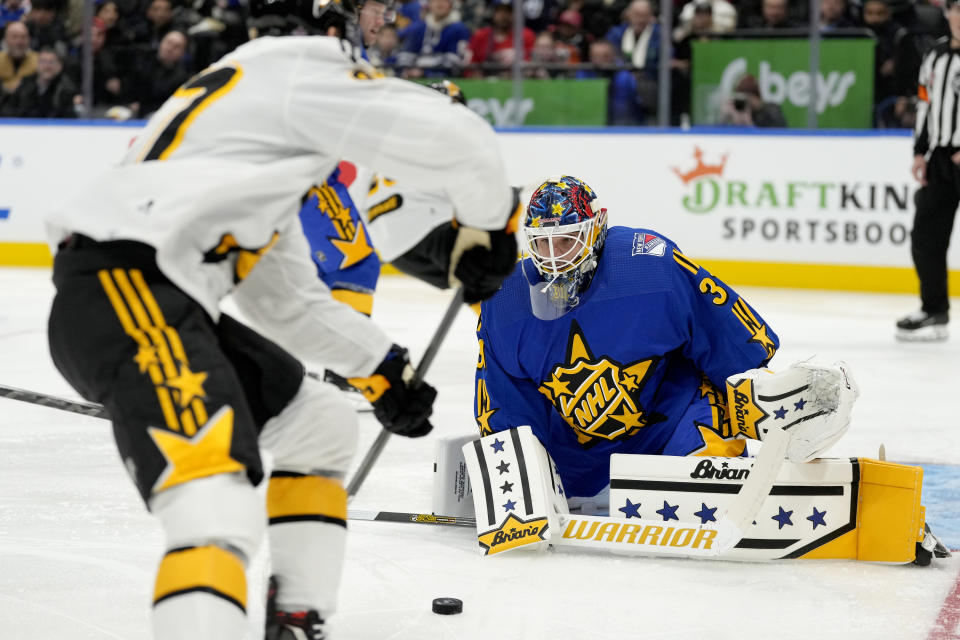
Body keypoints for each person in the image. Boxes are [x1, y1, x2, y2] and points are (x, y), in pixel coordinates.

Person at [44, 2, 519, 640]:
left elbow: (284, 297)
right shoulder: (300, 65)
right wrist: (488, 228)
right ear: (332, 16)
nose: (378, 26)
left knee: (319, 425)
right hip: (126, 291)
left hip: (147, 294)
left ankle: (296, 623)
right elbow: (458, 139)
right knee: (215, 503)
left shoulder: (258, 126)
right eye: (371, 12)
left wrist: (380, 369)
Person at [474, 176, 780, 502]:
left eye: (566, 240)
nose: (553, 258)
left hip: (671, 422)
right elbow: (506, 405)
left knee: (706, 497)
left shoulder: (649, 265)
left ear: (597, 228)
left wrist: (770, 406)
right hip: (580, 456)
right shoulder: (505, 300)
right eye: (542, 243)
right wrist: (518, 482)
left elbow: (730, 345)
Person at [897, 0, 960, 341]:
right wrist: (920, 151)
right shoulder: (934, 56)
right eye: (957, 10)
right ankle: (934, 310)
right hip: (939, 159)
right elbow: (925, 103)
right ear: (947, 14)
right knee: (926, 237)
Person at [1, 46, 78, 117]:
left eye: (51, 62)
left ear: (59, 66)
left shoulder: (67, 88)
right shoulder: (26, 83)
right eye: (43, 62)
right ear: (37, 65)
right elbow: (9, 108)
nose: (46, 66)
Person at [719, 73, 787, 128]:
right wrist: (725, 117)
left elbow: (778, 136)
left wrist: (748, 123)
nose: (743, 102)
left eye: (744, 98)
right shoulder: (740, 111)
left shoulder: (771, 112)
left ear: (753, 96)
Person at [0, 21, 37, 97]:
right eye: (14, 37)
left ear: (29, 39)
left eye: (23, 37)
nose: (19, 42)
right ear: (6, 39)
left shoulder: (38, 61)